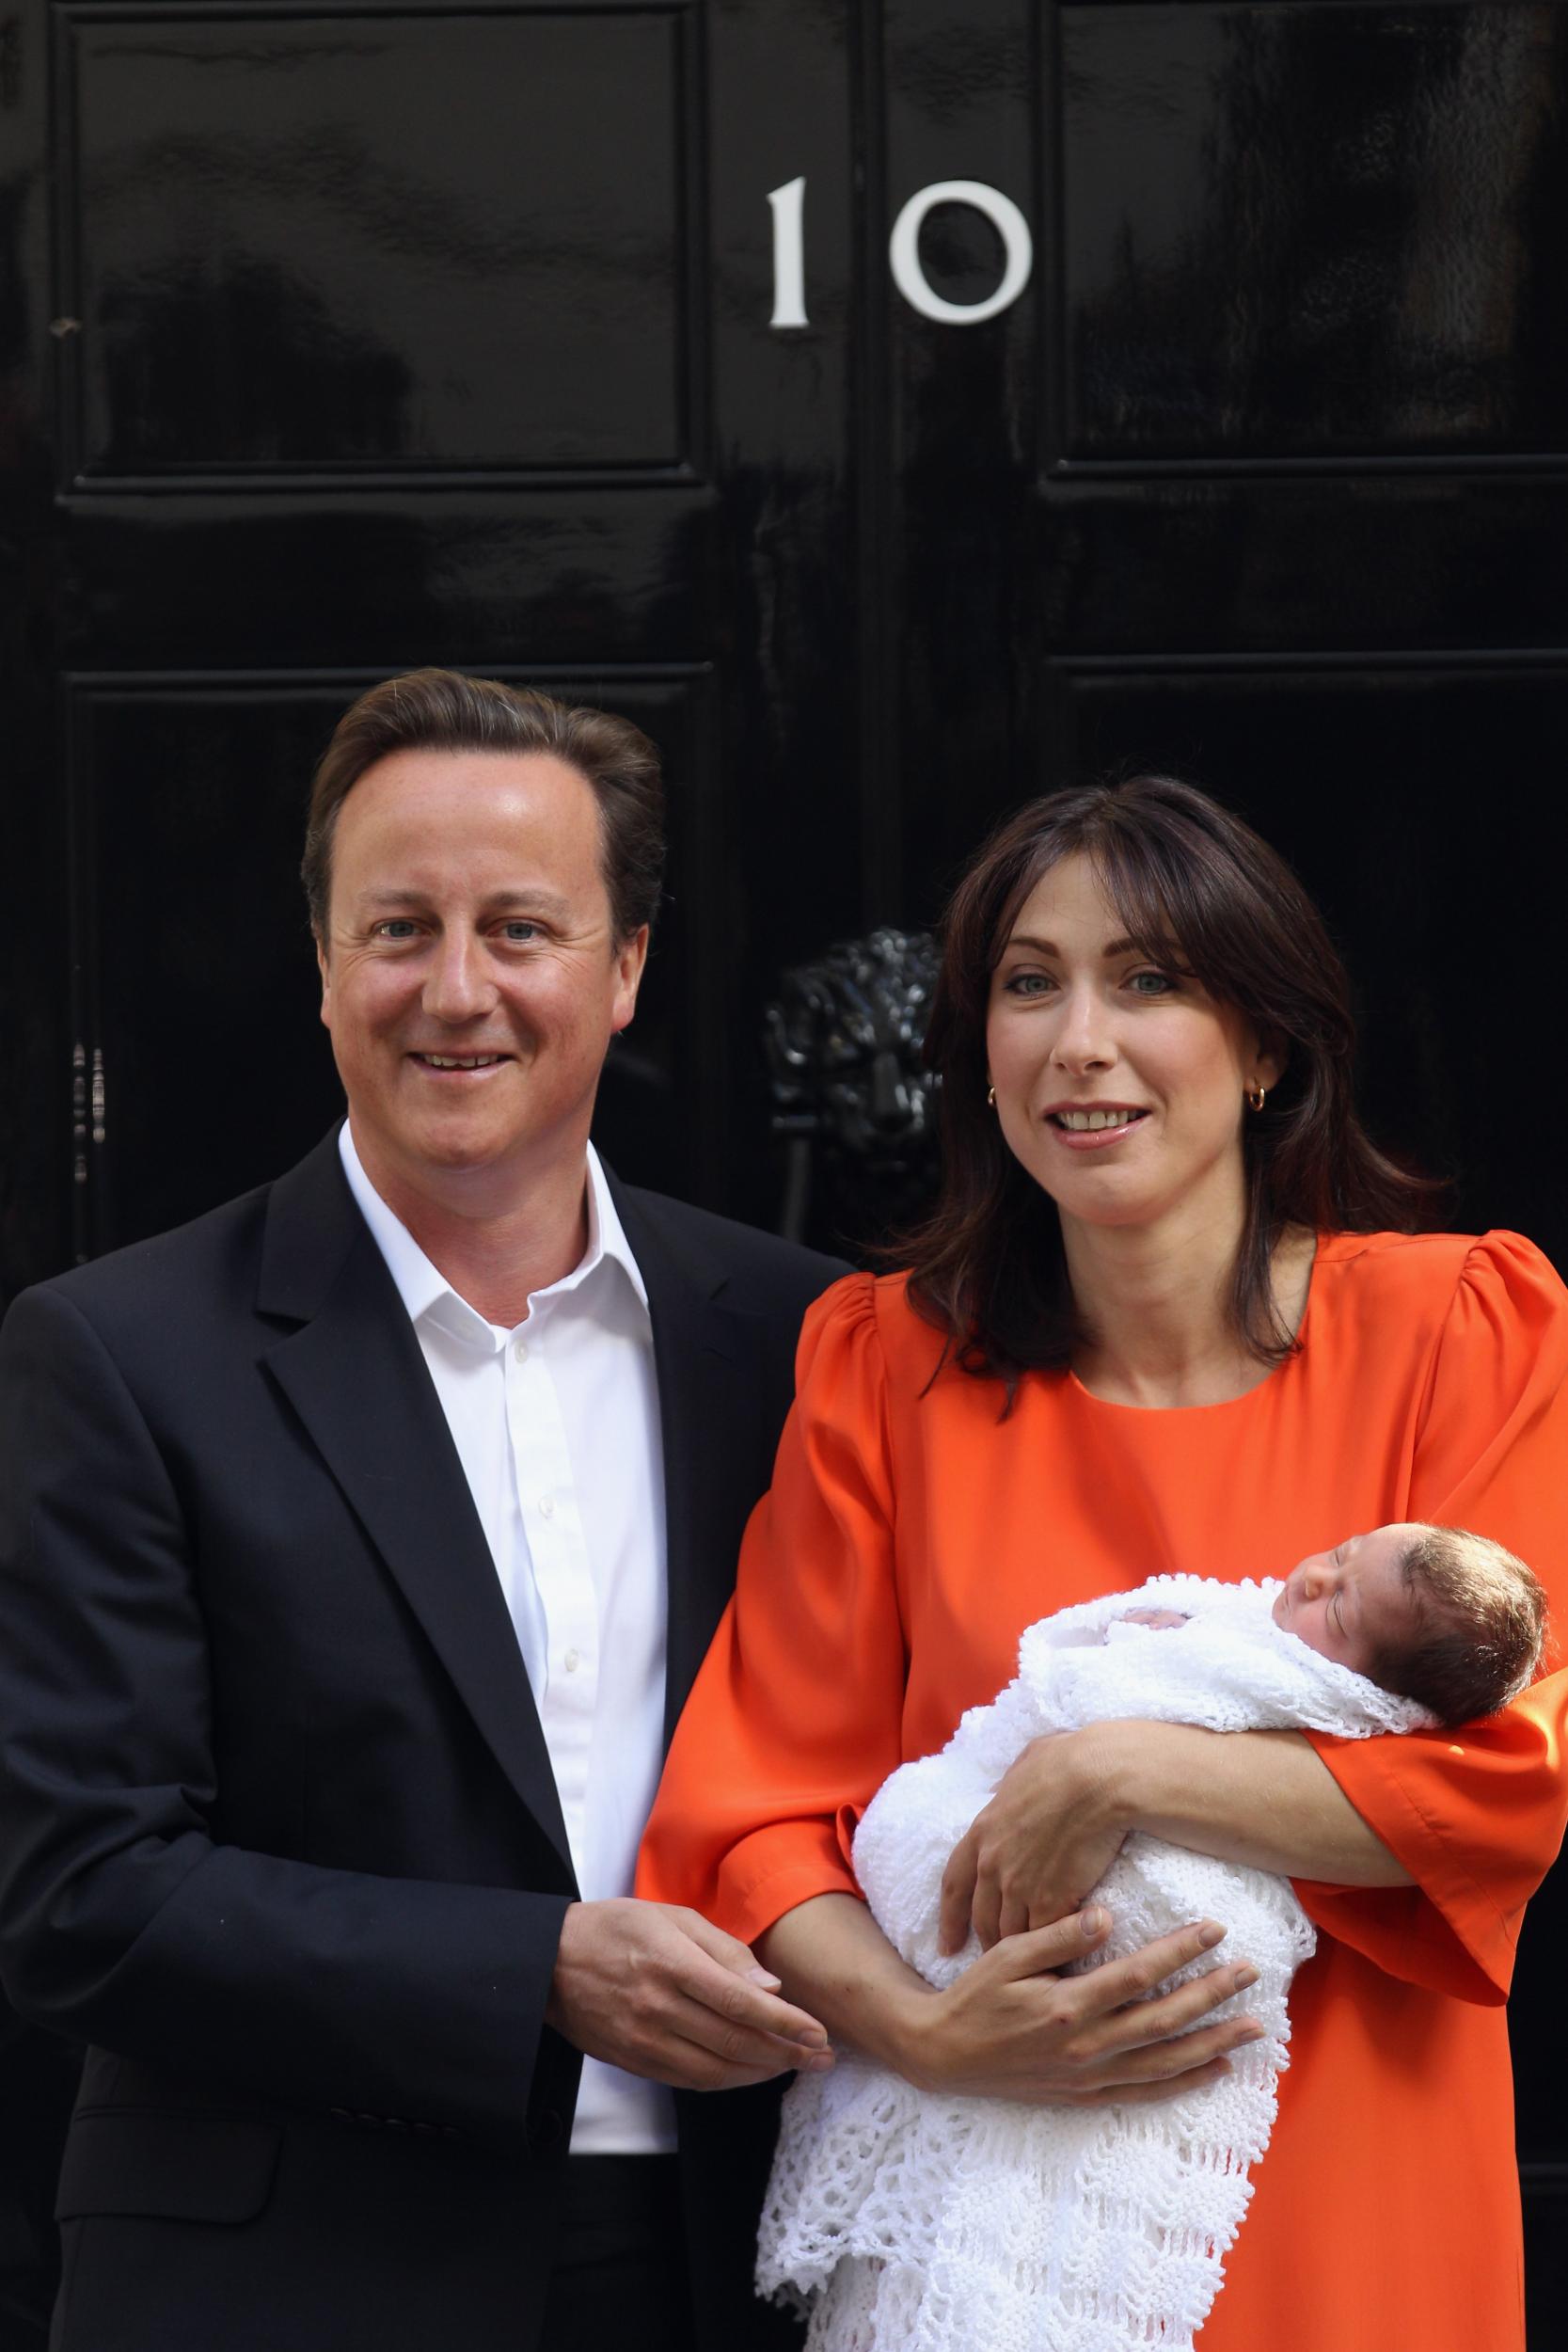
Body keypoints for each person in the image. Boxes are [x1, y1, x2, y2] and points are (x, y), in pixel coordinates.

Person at [640, 774, 1568, 2352]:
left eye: (1148, 979)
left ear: (1266, 1046)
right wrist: (929, 2031)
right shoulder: (882, 1366)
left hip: (1358, 2211)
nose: (1079, 1039)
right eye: (1026, 982)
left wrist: (1121, 1769)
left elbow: (1506, 1783)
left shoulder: (1457, 1333)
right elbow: (751, 1817)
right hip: (984, 2248)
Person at [0, 668, 847, 2352]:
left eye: (521, 928)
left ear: (626, 972)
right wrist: (534, 1970)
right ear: (321, 968)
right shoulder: (117, 1352)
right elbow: (80, 1887)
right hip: (289, 2278)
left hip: (742, 2257)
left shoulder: (805, 1338)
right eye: (399, 928)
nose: (456, 991)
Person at [758, 1523, 1549, 2350]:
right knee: (933, 1841)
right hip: (979, 1837)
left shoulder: (1326, 1695)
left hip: (1211, 1966)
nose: (1316, 1578)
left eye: (1343, 1611)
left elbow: (1187, 1701)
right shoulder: (1261, 1619)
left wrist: (1122, 1746)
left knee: (1180, 1919)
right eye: (1340, 1554)